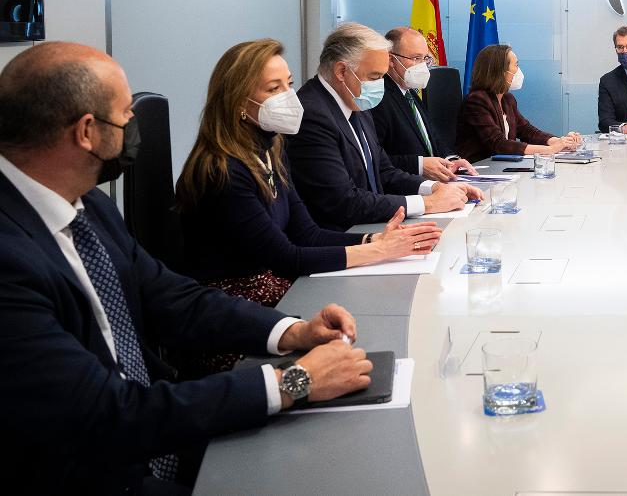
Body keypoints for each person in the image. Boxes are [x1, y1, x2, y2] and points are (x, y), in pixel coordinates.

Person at [0, 42, 373, 493]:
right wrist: (294, 382)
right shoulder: (10, 261)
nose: (135, 126)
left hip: (156, 431)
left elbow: (176, 297)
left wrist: (293, 331)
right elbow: (105, 414)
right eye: (125, 114)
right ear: (86, 132)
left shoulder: (90, 207)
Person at [176, 39, 441, 326]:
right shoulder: (222, 170)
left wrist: (374, 239)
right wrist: (379, 251)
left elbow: (308, 234)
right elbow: (286, 257)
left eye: (289, 84)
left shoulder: (270, 151)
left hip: (276, 287)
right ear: (238, 101)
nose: (289, 96)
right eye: (273, 88)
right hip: (232, 309)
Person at [286, 23, 480, 231]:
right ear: (341, 71)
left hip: (375, 225)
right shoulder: (312, 114)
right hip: (342, 236)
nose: (381, 84)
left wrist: (435, 188)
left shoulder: (356, 100)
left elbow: (384, 170)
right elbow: (343, 201)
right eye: (375, 77)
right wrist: (428, 203)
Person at [370, 26, 477, 181]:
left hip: (434, 182)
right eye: (416, 58)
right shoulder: (379, 97)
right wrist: (419, 165)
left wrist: (451, 160)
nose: (422, 65)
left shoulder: (411, 93)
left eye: (425, 58)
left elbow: (432, 138)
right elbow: (374, 158)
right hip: (404, 187)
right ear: (391, 60)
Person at [456, 44, 581, 163]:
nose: (518, 70)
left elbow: (527, 131)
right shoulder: (476, 101)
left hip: (502, 166)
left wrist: (558, 141)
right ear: (500, 71)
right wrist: (549, 150)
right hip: (478, 168)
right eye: (516, 65)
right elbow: (498, 144)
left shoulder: (507, 99)